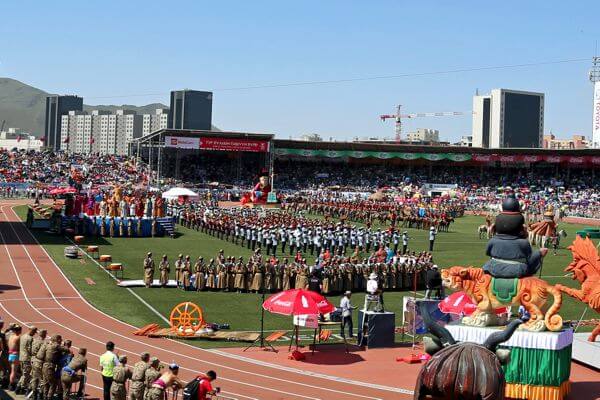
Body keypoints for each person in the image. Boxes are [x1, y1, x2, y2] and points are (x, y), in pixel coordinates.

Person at [483, 196, 547, 278]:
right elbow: (530, 260)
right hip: (517, 271)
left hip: (493, 269)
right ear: (520, 227)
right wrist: (539, 253)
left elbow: (488, 253)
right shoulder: (523, 243)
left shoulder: (493, 241)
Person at [17, 326, 36, 394]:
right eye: (34, 332)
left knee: (24, 373)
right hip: (27, 358)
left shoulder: (22, 336)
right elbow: (30, 349)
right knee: (26, 374)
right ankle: (20, 388)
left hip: (21, 357)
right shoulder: (30, 338)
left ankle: (19, 386)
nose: (34, 334)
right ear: (31, 331)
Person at [29, 329, 47, 399]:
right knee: (42, 379)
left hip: (32, 359)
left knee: (34, 378)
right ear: (44, 335)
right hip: (39, 361)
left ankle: (34, 394)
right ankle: (41, 394)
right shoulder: (43, 343)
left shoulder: (34, 340)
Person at [7, 324, 22, 391]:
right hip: (15, 355)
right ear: (18, 330)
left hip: (10, 354)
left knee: (12, 371)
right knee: (13, 372)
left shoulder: (11, 336)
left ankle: (12, 382)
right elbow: (20, 347)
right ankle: (11, 385)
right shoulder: (18, 337)